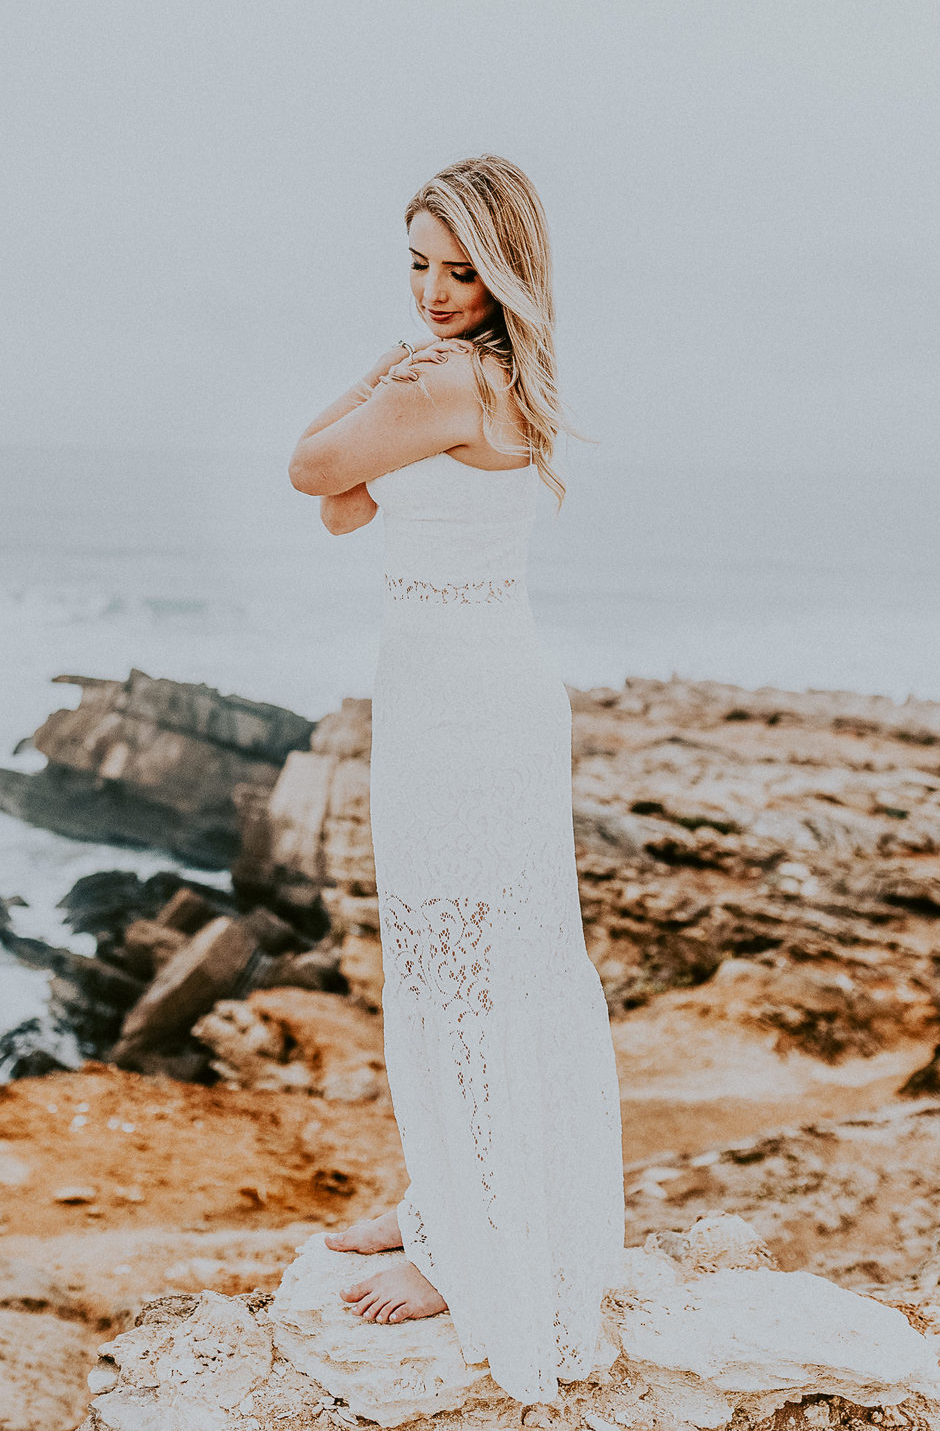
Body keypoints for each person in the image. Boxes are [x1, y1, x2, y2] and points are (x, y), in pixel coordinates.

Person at [288, 154, 625, 1407]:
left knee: (464, 962)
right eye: (419, 267)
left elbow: (313, 473)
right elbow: (350, 505)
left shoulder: (440, 382)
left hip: (463, 705)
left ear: (506, 272)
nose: (435, 291)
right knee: (468, 956)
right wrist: (377, 426)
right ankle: (448, 1199)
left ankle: (464, 1247)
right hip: (467, 687)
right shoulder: (493, 380)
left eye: (460, 269)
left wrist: (380, 377)